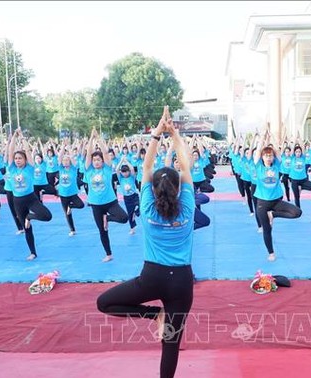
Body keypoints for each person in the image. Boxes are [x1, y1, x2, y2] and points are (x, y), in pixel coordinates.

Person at [97, 106, 195, 378]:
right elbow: (185, 165)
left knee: (104, 303)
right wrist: (175, 135)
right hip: (182, 282)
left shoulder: (148, 207)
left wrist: (157, 134)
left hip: (152, 276)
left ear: (153, 190)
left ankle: (153, 315)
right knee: (171, 344)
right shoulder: (187, 206)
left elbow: (147, 166)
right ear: (179, 188)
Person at [252, 128, 302, 261]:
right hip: (262, 203)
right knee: (267, 230)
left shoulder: (277, 166)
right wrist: (263, 137)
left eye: (270, 155)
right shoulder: (259, 166)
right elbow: (257, 150)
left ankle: (273, 214)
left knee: (297, 213)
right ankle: (271, 253)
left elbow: (278, 150)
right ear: (262, 157)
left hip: (276, 202)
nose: (269, 157)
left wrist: (272, 135)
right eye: (266, 155)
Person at [7, 129, 53, 260]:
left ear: (25, 160)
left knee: (47, 216)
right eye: (16, 158)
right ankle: (33, 252)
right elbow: (10, 152)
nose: (17, 160)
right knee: (27, 229)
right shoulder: (12, 169)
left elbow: (27, 151)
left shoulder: (29, 168)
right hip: (18, 201)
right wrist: (13, 138)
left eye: (20, 158)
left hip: (31, 199)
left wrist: (22, 138)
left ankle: (30, 217)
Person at [83, 128, 129, 262]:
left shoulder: (107, 169)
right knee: (102, 231)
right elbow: (88, 154)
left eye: (99, 160)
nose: (96, 161)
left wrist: (99, 139)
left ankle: (107, 218)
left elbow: (105, 152)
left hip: (110, 202)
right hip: (96, 205)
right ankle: (108, 254)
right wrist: (91, 139)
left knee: (124, 218)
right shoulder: (89, 170)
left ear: (102, 161)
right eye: (94, 160)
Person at [57, 153, 85, 236]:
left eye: (67, 160)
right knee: (67, 213)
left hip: (72, 194)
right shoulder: (61, 169)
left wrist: (69, 150)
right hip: (63, 195)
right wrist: (63, 147)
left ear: (70, 162)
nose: (65, 162)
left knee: (81, 205)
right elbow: (59, 157)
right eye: (64, 160)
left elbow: (73, 159)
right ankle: (72, 229)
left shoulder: (73, 169)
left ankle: (71, 206)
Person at [116, 155, 140, 235]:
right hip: (127, 198)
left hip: (134, 196)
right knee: (129, 214)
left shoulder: (132, 177)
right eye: (123, 172)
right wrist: (121, 161)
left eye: (126, 171)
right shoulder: (121, 179)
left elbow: (132, 169)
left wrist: (126, 161)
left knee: (139, 207)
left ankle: (136, 212)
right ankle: (132, 228)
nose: (125, 173)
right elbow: (116, 170)